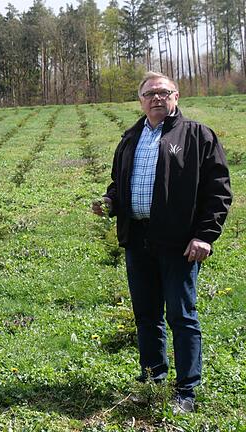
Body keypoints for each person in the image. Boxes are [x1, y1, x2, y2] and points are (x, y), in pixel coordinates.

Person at [92, 72, 232, 414]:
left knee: (182, 316)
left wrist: (204, 236)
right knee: (146, 314)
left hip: (179, 242)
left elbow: (219, 191)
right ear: (140, 100)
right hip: (137, 238)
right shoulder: (130, 138)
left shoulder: (198, 136)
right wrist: (111, 203)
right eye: (150, 93)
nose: (157, 98)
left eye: (163, 92)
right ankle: (153, 379)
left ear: (176, 96)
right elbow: (118, 184)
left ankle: (187, 390)